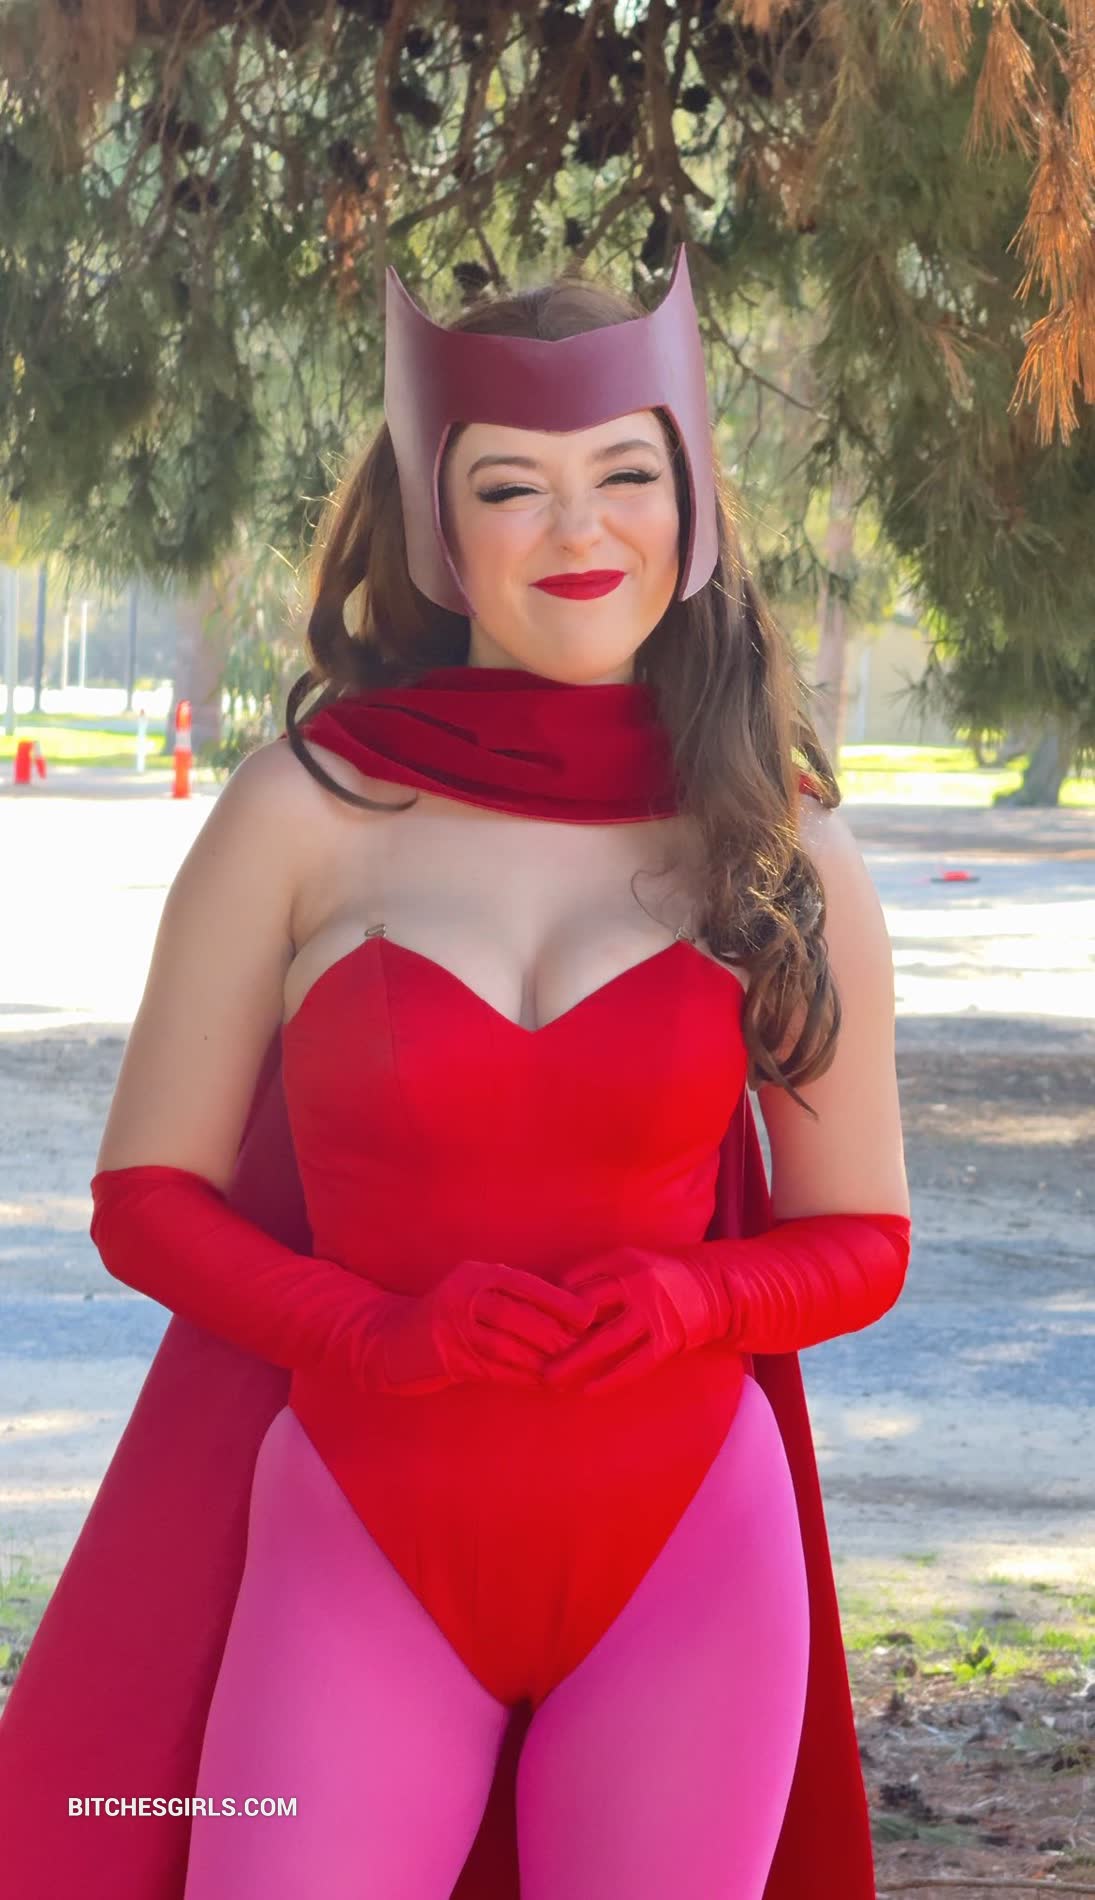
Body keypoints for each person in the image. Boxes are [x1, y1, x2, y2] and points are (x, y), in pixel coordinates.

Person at [0, 246, 911, 1898]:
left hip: (689, 1558)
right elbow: (144, 1201)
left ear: (693, 503)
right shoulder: (304, 807)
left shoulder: (777, 840)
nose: (578, 530)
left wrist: (696, 1300)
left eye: (625, 474)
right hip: (356, 1534)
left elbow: (865, 1238)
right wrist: (368, 1329)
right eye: (511, 487)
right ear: (437, 528)